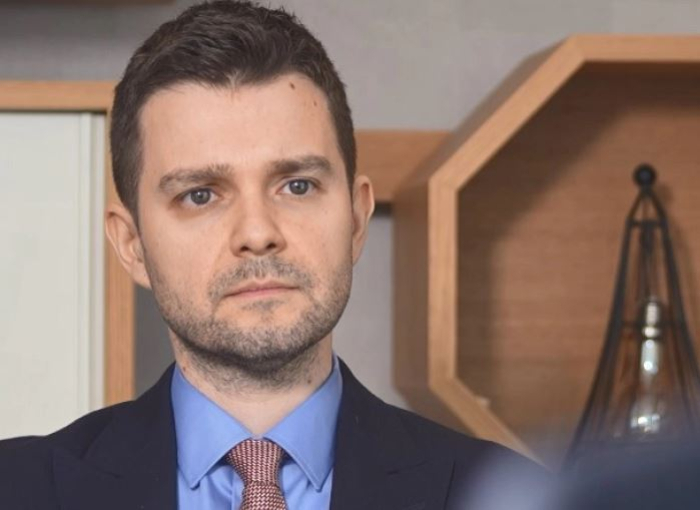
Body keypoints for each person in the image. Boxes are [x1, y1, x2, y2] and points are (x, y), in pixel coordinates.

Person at [0, 1, 546, 508]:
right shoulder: (17, 488)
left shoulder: (505, 496)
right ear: (132, 245)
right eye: (200, 195)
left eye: (297, 186)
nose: (258, 233)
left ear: (356, 219)